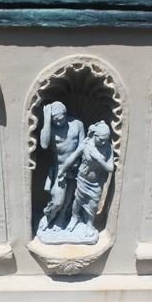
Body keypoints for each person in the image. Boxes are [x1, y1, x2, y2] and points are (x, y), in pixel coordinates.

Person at [61, 120, 114, 237]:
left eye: (106, 139)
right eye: (101, 139)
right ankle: (74, 218)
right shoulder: (85, 145)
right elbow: (72, 158)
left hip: (96, 181)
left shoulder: (108, 147)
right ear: (95, 135)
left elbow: (110, 168)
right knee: (78, 201)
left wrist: (99, 159)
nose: (104, 142)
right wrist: (62, 170)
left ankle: (90, 224)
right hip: (83, 179)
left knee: (94, 204)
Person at [38, 101, 84, 231]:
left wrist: (73, 160)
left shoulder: (77, 124)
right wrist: (47, 120)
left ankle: (61, 218)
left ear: (65, 113)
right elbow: (44, 144)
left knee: (70, 196)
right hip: (59, 168)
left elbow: (82, 145)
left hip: (75, 167)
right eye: (54, 120)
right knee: (58, 201)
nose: (58, 123)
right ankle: (49, 216)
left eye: (60, 119)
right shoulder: (51, 128)